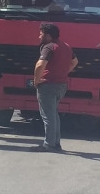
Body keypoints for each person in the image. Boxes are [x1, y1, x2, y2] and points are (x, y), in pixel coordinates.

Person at [30, 23, 78, 152]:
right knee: (54, 114)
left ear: (48, 35)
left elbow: (40, 65)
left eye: (41, 34)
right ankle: (56, 143)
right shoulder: (66, 46)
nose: (39, 36)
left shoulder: (48, 47)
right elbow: (75, 62)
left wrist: (37, 80)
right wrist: (62, 72)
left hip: (48, 85)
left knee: (48, 115)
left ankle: (49, 144)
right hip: (61, 85)